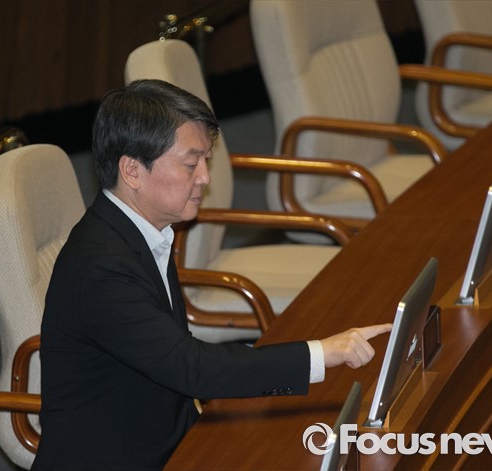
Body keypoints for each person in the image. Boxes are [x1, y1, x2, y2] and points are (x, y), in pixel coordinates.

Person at [32, 79, 391, 470]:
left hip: (167, 433)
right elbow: (191, 368)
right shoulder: (102, 267)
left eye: (206, 160)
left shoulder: (142, 230)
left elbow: (172, 355)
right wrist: (325, 353)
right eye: (191, 164)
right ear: (132, 170)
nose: (205, 177)